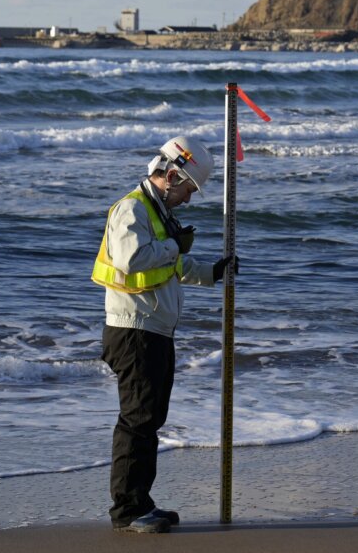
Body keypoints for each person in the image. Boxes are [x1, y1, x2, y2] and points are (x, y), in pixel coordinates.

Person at [91, 136, 236, 533]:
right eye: (188, 190)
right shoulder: (131, 209)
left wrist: (212, 272)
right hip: (133, 332)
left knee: (148, 419)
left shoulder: (156, 213)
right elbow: (133, 258)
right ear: (171, 176)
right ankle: (128, 511)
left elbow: (171, 266)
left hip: (152, 330)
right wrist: (173, 247)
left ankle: (141, 503)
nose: (188, 199)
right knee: (138, 421)